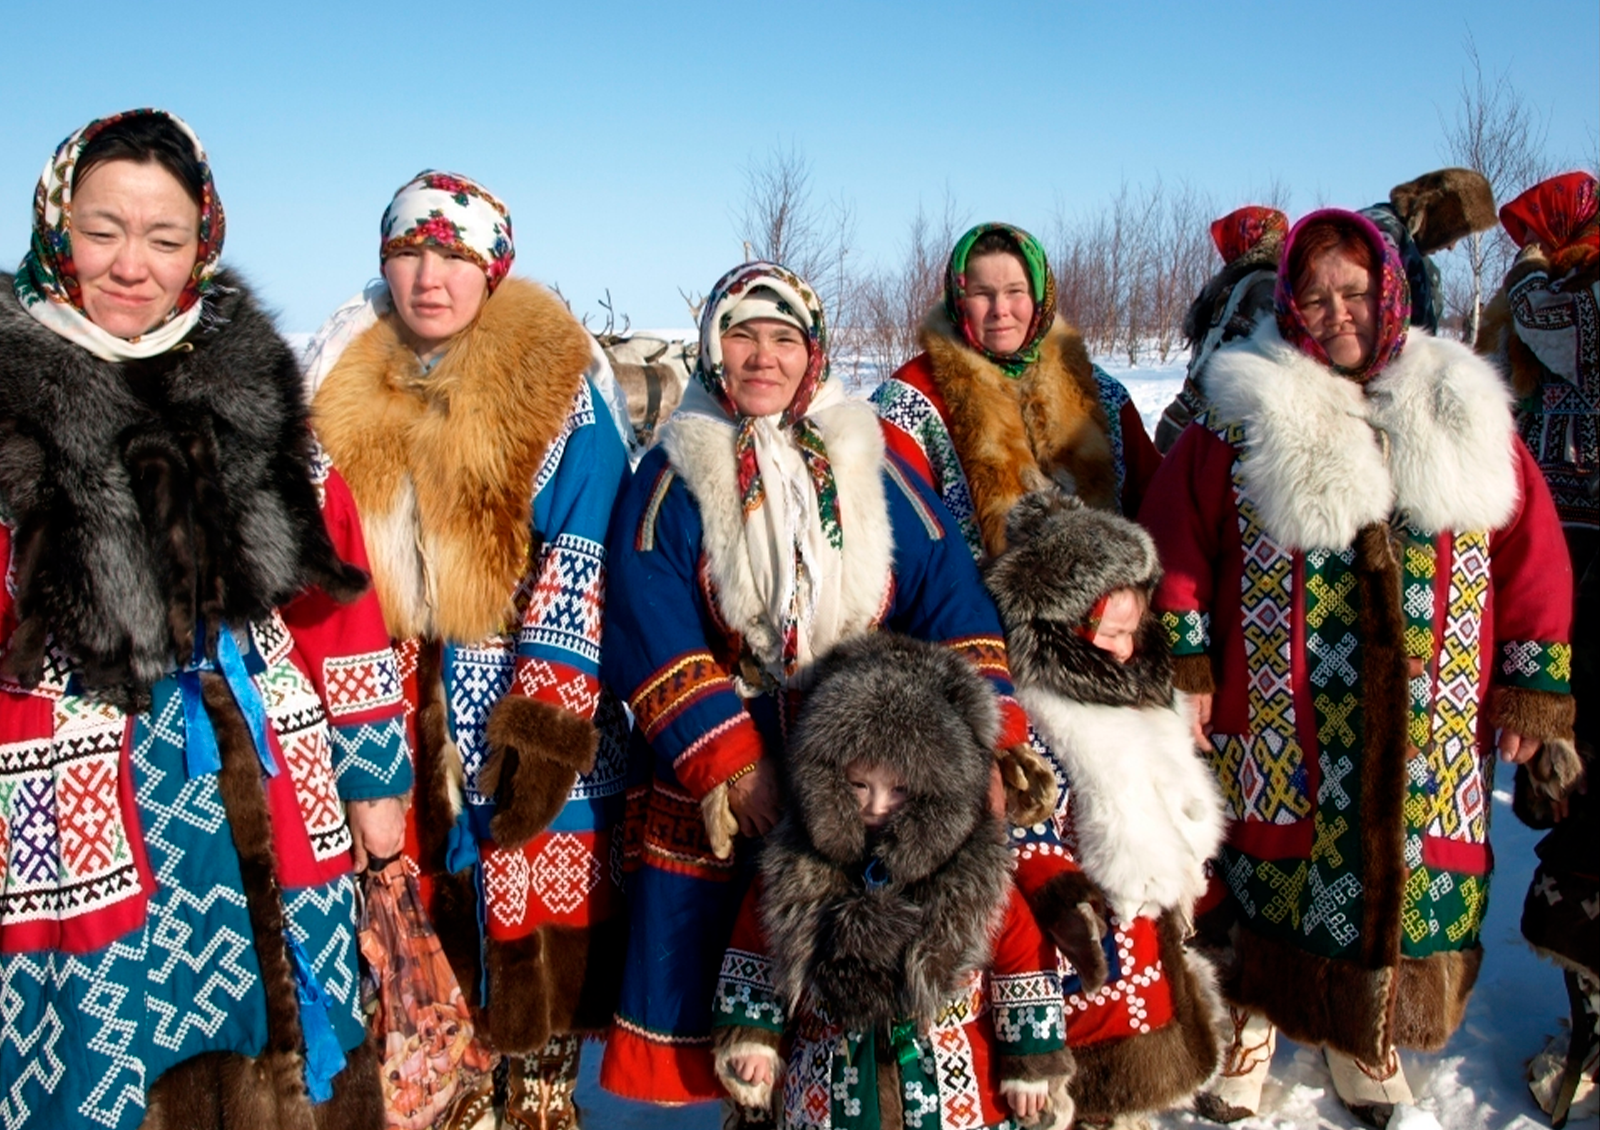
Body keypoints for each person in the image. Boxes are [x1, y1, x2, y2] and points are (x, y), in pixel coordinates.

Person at [0, 109, 412, 1130]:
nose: (132, 265)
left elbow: (335, 598)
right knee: (100, 1072)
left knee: (284, 1066)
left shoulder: (256, 392)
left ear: (202, 246)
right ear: (57, 226)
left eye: (165, 237)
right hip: (72, 797)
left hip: (272, 785)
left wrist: (372, 776)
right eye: (104, 230)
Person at [1142, 207, 1576, 1126]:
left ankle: (1361, 1033)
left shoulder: (1461, 403)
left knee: (1404, 880)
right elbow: (1179, 546)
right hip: (1280, 709)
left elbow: (1529, 552)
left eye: (1353, 293)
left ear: (1389, 294)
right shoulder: (1240, 408)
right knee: (1266, 874)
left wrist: (1533, 688)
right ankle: (1252, 1026)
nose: (1335, 312)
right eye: (1313, 295)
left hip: (1432, 712)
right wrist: (1184, 664)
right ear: (1289, 305)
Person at [597, 260, 1041, 1111]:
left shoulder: (864, 462)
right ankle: (751, 1097)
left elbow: (948, 590)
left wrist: (988, 738)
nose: (762, 358)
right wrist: (728, 761)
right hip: (743, 742)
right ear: (711, 350)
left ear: (814, 355)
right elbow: (648, 619)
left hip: (861, 750)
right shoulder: (673, 473)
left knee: (854, 929)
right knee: (743, 947)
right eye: (741, 336)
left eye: (783, 340)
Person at [308, 170, 629, 1130]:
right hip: (384, 722)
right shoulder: (340, 385)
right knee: (411, 1010)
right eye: (408, 252)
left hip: (523, 721)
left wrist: (544, 721)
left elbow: (583, 555)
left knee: (529, 1031)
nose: (429, 276)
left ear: (493, 269)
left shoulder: (556, 389)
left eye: (452, 254)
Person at [713, 633, 1074, 1130]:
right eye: (858, 786)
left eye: (900, 790)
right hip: (831, 1077)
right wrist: (753, 1032)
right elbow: (757, 947)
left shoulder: (971, 868)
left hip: (952, 1082)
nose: (876, 806)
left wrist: (1030, 1060)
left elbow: (1020, 958)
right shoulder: (799, 861)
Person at [984, 493, 1227, 1123]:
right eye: (1110, 633)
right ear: (1059, 631)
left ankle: (1128, 1105)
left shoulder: (1137, 690)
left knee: (1152, 1011)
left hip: (1145, 922)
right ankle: (1093, 1105)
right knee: (1097, 1034)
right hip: (1083, 931)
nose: (1124, 649)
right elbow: (1028, 825)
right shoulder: (1036, 715)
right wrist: (1059, 894)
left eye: (1132, 632)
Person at [1477, 169, 1599, 1126]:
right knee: (1575, 787)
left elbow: (1545, 323)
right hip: (1567, 552)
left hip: (1588, 556)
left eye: (1535, 229)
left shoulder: (1573, 289)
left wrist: (1523, 269)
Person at [871, 221, 1160, 561]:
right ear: (959, 298)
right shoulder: (908, 402)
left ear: (1039, 294)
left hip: (1107, 602)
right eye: (982, 293)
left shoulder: (1102, 394)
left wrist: (1133, 598)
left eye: (1015, 291)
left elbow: (1158, 505)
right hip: (971, 607)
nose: (1000, 310)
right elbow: (897, 538)